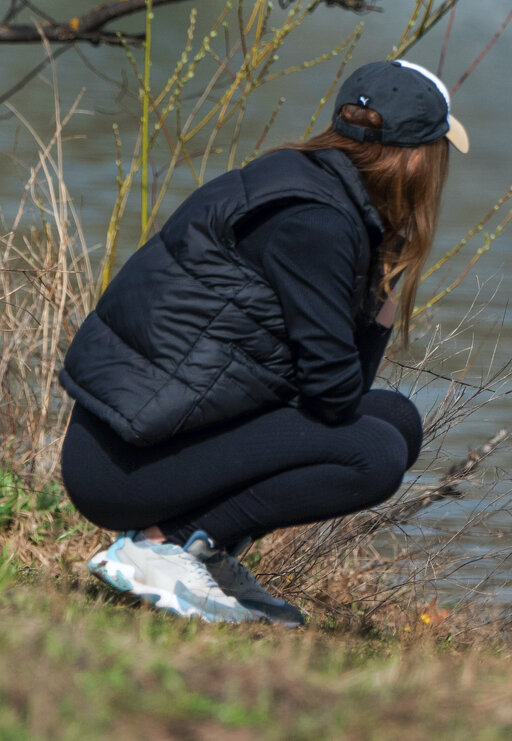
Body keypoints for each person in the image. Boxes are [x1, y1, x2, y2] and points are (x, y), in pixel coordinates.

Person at [58, 60, 468, 626]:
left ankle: (203, 548)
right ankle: (165, 547)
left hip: (136, 441)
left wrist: (378, 289)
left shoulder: (299, 181)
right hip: (121, 466)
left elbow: (331, 391)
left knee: (397, 418)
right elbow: (333, 399)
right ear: (420, 158)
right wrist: (381, 308)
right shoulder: (317, 223)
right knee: (374, 455)